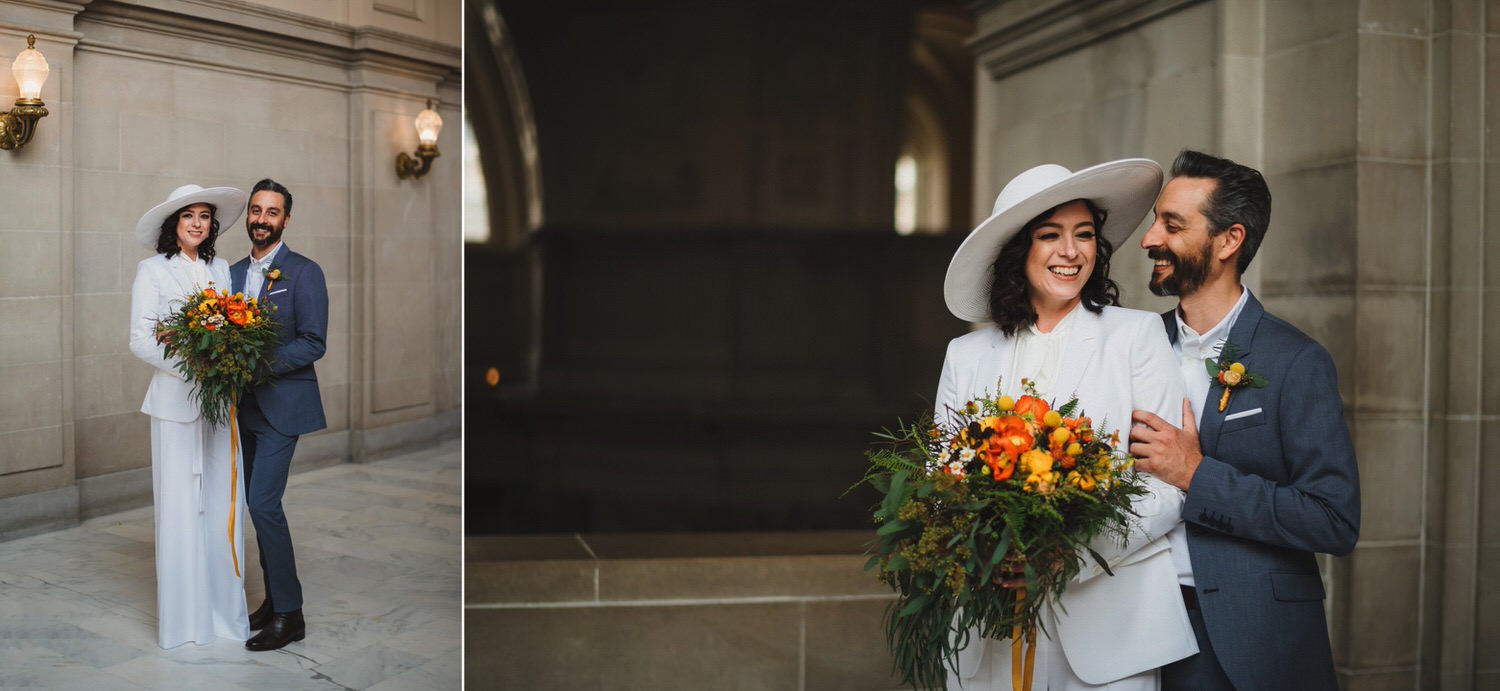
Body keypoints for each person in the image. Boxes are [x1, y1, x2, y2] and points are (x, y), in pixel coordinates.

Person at [938, 160, 1198, 690]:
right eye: (1050, 235)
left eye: (1084, 235)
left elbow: (1168, 485)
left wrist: (1067, 556)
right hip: (986, 628)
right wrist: (988, 549)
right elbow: (941, 484)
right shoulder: (965, 355)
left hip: (1110, 625)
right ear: (1019, 252)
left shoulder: (1137, 337)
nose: (1071, 251)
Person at [1128, 150, 1360, 690]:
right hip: (1131, 629)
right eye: (1154, 221)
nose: (1149, 240)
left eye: (1172, 224)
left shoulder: (1297, 360)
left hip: (1248, 636)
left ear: (1229, 240)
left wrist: (1196, 475)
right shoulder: (1133, 346)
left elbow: (1333, 519)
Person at [128, 184, 251, 649]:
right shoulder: (153, 271)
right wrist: (195, 364)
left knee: (221, 505)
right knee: (181, 508)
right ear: (173, 225)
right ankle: (185, 624)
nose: (198, 223)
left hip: (221, 405)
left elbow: (233, 324)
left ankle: (222, 616)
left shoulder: (221, 269)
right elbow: (140, 339)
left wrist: (225, 360)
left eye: (204, 216)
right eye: (188, 217)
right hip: (175, 404)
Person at [230, 178, 329, 652]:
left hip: (281, 407)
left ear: (286, 219)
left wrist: (257, 363)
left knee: (264, 504)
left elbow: (314, 341)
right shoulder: (227, 274)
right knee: (254, 504)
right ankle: (272, 602)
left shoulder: (304, 272)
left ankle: (290, 614)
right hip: (238, 410)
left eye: (272, 212)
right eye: (256, 210)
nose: (262, 219)